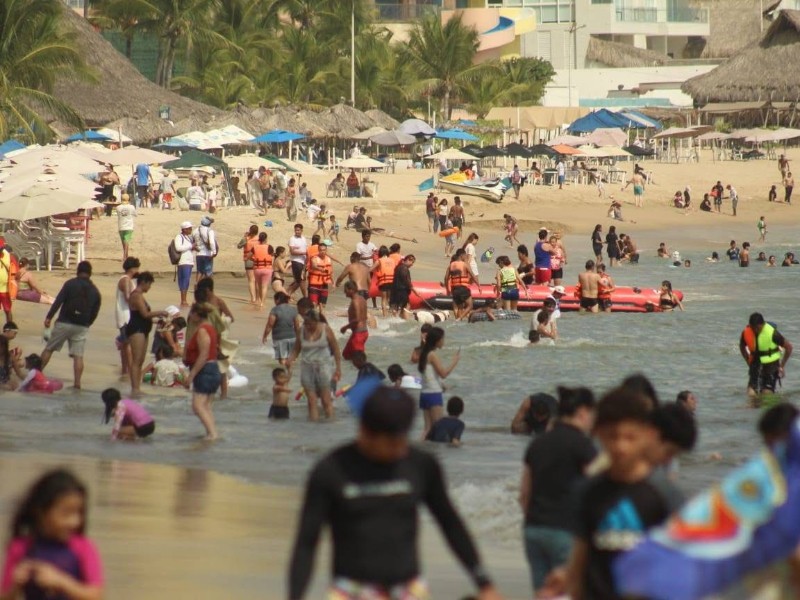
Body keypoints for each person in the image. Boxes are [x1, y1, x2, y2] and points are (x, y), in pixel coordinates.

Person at [287, 387, 501, 600]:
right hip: (351, 589)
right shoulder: (331, 470)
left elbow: (450, 523)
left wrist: (484, 582)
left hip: (408, 588)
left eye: (402, 439)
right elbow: (307, 541)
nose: (399, 449)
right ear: (364, 430)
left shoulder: (421, 465)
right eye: (391, 443)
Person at [538, 387, 684, 600]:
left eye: (630, 437)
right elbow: (580, 557)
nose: (620, 446)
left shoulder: (663, 495)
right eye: (612, 436)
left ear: (648, 434)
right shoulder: (588, 491)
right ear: (598, 434)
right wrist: (566, 577)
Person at [519, 387, 597, 593]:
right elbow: (596, 494)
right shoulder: (583, 446)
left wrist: (533, 521)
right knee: (567, 592)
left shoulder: (537, 444)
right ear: (582, 413)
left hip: (533, 530)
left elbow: (524, 495)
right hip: (564, 532)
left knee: (543, 593)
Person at [0, 469, 103, 600]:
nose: (74, 522)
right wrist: (15, 585)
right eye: (66, 514)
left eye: (79, 513)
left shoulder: (83, 548)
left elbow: (96, 595)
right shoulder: (20, 548)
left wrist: (61, 582)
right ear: (41, 512)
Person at [41, 261, 101, 390]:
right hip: (82, 326)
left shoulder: (70, 284)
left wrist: (49, 317)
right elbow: (95, 312)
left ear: (78, 271)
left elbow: (58, 301)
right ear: (90, 274)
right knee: (78, 356)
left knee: (49, 348)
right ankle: (77, 384)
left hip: (64, 322)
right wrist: (87, 324)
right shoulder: (95, 291)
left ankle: (37, 375)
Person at [287, 310, 341, 421]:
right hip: (307, 367)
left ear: (316, 322)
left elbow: (335, 349)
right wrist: (290, 360)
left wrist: (338, 369)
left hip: (324, 367)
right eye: (305, 323)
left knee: (326, 400)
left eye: (309, 323)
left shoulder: (325, 329)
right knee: (311, 401)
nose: (307, 326)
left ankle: (331, 425)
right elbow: (296, 349)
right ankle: (312, 428)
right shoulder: (302, 330)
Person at [184, 303, 222, 441]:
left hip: (206, 370)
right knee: (206, 406)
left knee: (197, 405)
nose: (189, 316)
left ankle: (212, 434)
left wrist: (191, 375)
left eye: (191, 313)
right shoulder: (210, 328)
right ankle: (211, 433)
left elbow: (204, 355)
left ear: (196, 314)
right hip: (212, 369)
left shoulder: (202, 330)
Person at [126, 272, 168, 396]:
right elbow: (144, 314)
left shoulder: (141, 296)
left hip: (143, 329)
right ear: (144, 282)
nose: (149, 287)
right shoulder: (136, 295)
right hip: (136, 329)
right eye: (149, 284)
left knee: (140, 360)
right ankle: (134, 389)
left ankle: (137, 387)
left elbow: (144, 317)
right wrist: (161, 312)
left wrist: (157, 321)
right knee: (136, 360)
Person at [417, 327, 460, 439]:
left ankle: (421, 448)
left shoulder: (425, 353)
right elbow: (443, 374)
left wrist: (442, 385)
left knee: (427, 428)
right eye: (442, 339)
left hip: (424, 393)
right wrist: (454, 362)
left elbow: (430, 375)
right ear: (437, 341)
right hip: (433, 394)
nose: (443, 341)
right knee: (438, 427)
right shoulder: (432, 355)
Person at [742, 312, 792, 396]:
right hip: (755, 364)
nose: (756, 331)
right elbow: (742, 346)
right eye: (753, 328)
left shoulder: (773, 333)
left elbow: (789, 348)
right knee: (751, 394)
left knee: (766, 395)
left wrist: (782, 366)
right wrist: (747, 360)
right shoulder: (746, 332)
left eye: (758, 328)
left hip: (771, 366)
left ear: (763, 324)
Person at [262, 292, 299, 367]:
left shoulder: (275, 310)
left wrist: (265, 336)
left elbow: (270, 324)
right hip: (292, 337)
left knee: (282, 359)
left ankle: (283, 375)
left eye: (275, 300)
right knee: (291, 359)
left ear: (278, 299)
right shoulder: (293, 309)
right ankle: (290, 374)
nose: (274, 302)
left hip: (280, 338)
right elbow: (297, 325)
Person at [340, 281, 368, 360]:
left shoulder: (355, 302)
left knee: (359, 359)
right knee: (346, 354)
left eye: (346, 290)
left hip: (359, 334)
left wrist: (345, 327)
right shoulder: (362, 299)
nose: (344, 292)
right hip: (362, 332)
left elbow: (357, 319)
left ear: (351, 290)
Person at [174, 221, 196, 307]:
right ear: (185, 229)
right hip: (183, 262)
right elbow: (178, 248)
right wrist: (191, 246)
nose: (191, 230)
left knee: (186, 281)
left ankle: (184, 300)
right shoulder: (179, 237)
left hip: (189, 262)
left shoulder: (188, 238)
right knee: (184, 281)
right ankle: (183, 300)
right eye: (190, 228)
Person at [308, 242, 333, 313]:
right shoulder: (314, 258)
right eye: (321, 250)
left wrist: (333, 282)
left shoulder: (328, 259)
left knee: (323, 305)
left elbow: (330, 271)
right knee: (313, 304)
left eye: (324, 250)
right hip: (314, 284)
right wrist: (321, 269)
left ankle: (321, 320)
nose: (323, 251)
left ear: (326, 250)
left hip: (324, 284)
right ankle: (312, 320)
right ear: (318, 250)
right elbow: (313, 266)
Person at [238, 225, 260, 304]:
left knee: (251, 280)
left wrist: (244, 236)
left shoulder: (246, 239)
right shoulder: (259, 239)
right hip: (257, 260)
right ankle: (258, 299)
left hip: (248, 260)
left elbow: (239, 246)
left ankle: (253, 298)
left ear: (250, 230)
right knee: (257, 281)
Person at [391, 254, 416, 319]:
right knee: (406, 307)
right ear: (407, 260)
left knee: (395, 308)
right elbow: (407, 281)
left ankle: (395, 321)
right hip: (402, 292)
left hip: (395, 291)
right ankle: (406, 322)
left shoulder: (398, 267)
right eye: (412, 262)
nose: (412, 264)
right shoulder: (404, 268)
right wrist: (415, 291)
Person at [287, 224, 308, 298]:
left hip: (303, 262)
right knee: (301, 280)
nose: (297, 232)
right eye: (296, 230)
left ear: (302, 230)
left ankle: (288, 293)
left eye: (298, 230)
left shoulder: (304, 238)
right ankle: (305, 297)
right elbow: (292, 251)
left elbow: (306, 249)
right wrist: (304, 253)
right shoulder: (292, 239)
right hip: (296, 261)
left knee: (299, 280)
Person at [194, 216, 217, 281]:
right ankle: (208, 288)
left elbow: (193, 242)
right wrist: (214, 252)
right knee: (208, 273)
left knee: (199, 272)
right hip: (207, 254)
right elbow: (212, 242)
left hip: (198, 254)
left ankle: (197, 286)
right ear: (209, 224)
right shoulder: (209, 231)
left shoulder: (195, 230)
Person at [116, 193, 136, 261]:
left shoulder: (118, 207)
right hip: (129, 226)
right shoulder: (131, 207)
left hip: (121, 226)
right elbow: (135, 214)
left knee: (124, 242)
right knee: (126, 241)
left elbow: (118, 215)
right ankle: (125, 256)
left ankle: (125, 256)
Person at [0, 242, 16, 324]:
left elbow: (15, 270)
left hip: (5, 290)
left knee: (7, 310)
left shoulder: (8, 256)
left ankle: (10, 328)